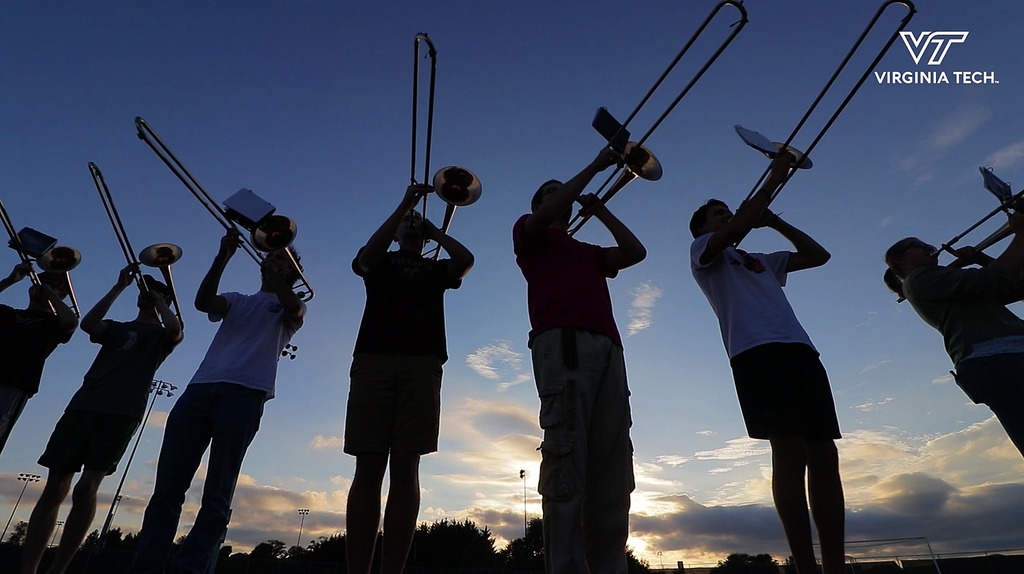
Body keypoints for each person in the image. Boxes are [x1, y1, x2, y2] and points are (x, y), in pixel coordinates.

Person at [688, 152, 845, 574]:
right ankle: (806, 566)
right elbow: (738, 225)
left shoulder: (760, 259)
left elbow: (817, 255)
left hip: (799, 347)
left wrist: (773, 220)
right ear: (702, 227)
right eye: (716, 214)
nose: (725, 217)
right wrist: (773, 178)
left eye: (726, 212)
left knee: (824, 453)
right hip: (755, 351)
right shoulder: (704, 250)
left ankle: (835, 565)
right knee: (789, 448)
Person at [127, 230, 305, 574]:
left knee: (218, 492)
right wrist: (223, 256)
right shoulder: (238, 299)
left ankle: (192, 568)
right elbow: (203, 302)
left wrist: (279, 279)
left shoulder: (291, 306)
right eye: (272, 255)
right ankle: (146, 566)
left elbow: (294, 307)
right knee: (167, 488)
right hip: (200, 389)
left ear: (292, 271)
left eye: (281, 257)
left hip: (245, 394)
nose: (271, 258)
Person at [512, 147, 646, 574]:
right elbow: (552, 206)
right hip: (563, 343)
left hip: (608, 349)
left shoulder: (587, 250)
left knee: (612, 464)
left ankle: (609, 565)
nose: (562, 197)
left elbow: (634, 251)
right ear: (540, 206)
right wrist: (593, 167)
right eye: (552, 194)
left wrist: (600, 208)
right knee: (566, 456)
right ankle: (566, 566)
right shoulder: (528, 234)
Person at [344, 184, 474, 574]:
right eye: (406, 227)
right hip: (373, 361)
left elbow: (465, 259)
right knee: (368, 465)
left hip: (422, 362)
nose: (411, 228)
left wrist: (434, 233)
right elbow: (367, 256)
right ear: (397, 232)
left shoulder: (436, 268)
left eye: (414, 227)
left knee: (406, 464)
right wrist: (405, 207)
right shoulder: (379, 261)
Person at [20, 266, 182, 574]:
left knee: (86, 488)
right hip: (84, 406)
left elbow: (176, 329)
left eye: (158, 292)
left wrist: (161, 302)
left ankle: (60, 568)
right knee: (55, 487)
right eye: (146, 291)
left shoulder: (163, 334)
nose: (147, 295)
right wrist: (119, 286)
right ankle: (28, 568)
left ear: (166, 301)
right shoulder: (116, 327)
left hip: (122, 413)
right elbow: (89, 324)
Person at [884, 211, 1024, 456]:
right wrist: (1021, 235)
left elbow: (1011, 284)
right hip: (997, 359)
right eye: (919, 245)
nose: (929, 246)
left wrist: (980, 257)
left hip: (1001, 358)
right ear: (901, 260)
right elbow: (994, 277)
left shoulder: (944, 282)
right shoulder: (918, 279)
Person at [0, 264, 78, 456]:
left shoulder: (53, 323)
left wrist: (51, 295)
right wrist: (11, 279)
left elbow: (71, 322)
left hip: (16, 384)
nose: (41, 286)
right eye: (41, 282)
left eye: (51, 284)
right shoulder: (10, 313)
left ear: (62, 294)